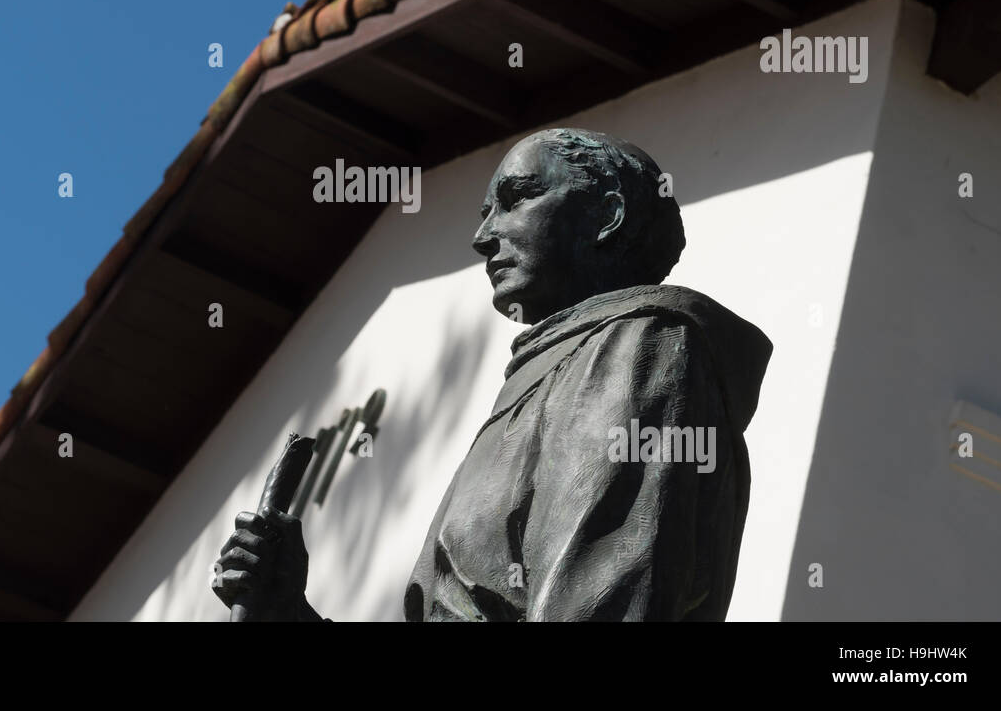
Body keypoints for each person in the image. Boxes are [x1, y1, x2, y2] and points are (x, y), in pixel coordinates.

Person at [213, 128, 772, 621]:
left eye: (517, 198)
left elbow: (597, 605)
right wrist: (286, 613)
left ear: (607, 216)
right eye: (486, 211)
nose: (484, 236)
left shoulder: (635, 346)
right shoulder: (553, 372)